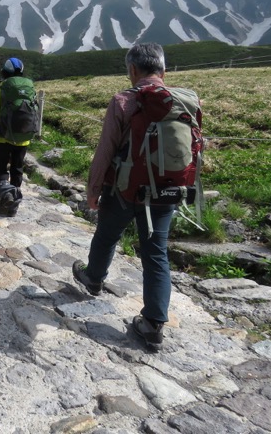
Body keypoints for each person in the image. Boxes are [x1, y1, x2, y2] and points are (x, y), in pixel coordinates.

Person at [73, 43, 186, 351]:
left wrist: (93, 190)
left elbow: (105, 150)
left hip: (124, 190)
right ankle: (153, 323)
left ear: (133, 70)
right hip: (166, 192)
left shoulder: (124, 100)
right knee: (155, 252)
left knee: (107, 236)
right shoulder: (184, 102)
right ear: (163, 71)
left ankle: (93, 278)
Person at [0, 57, 33, 217]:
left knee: (1, 167)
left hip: (3, 136)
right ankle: (13, 207)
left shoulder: (1, 90)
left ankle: (6, 194)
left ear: (4, 72)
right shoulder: (31, 88)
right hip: (23, 136)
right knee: (17, 169)